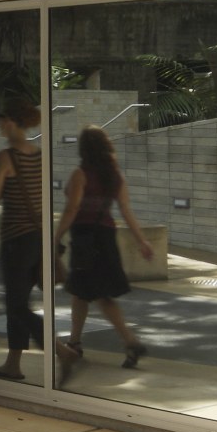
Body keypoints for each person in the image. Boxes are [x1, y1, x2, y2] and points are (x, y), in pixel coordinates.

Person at [55, 124, 152, 378]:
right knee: (85, 291)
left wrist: (56, 235)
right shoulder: (114, 175)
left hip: (86, 237)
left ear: (84, 148)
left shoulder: (81, 174)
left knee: (93, 293)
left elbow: (72, 209)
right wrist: (142, 240)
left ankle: (128, 341)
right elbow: (126, 209)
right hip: (106, 238)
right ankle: (76, 342)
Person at [0, 96, 45, 382]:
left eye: (0, 120)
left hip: (15, 239)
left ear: (10, 122)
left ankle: (57, 348)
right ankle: (12, 363)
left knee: (17, 304)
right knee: (18, 301)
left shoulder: (6, 157)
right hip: (36, 238)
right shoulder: (39, 154)